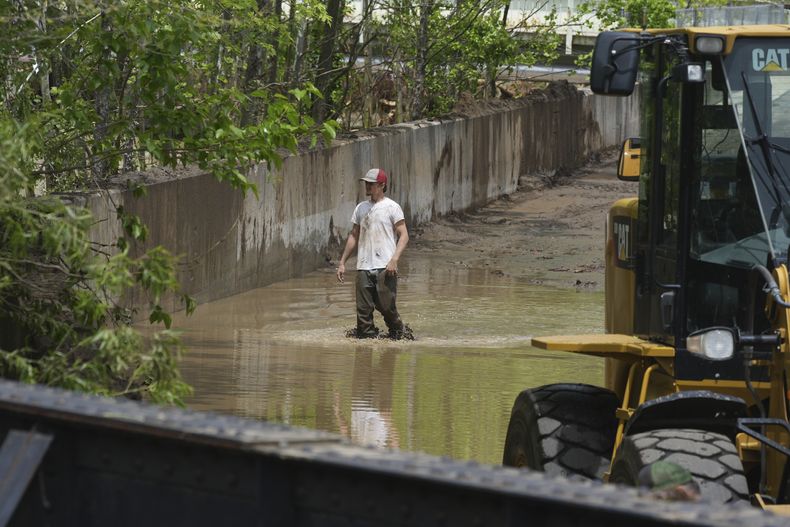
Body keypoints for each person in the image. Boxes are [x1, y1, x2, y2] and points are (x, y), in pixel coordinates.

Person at [336, 168, 411, 339]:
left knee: (386, 307)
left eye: (371, 184)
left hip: (385, 266)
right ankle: (365, 348)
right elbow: (354, 235)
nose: (367, 186)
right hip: (363, 266)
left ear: (382, 185)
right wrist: (342, 263)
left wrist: (394, 259)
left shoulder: (392, 207)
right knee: (363, 312)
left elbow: (404, 235)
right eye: (366, 183)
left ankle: (400, 333)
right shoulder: (361, 208)